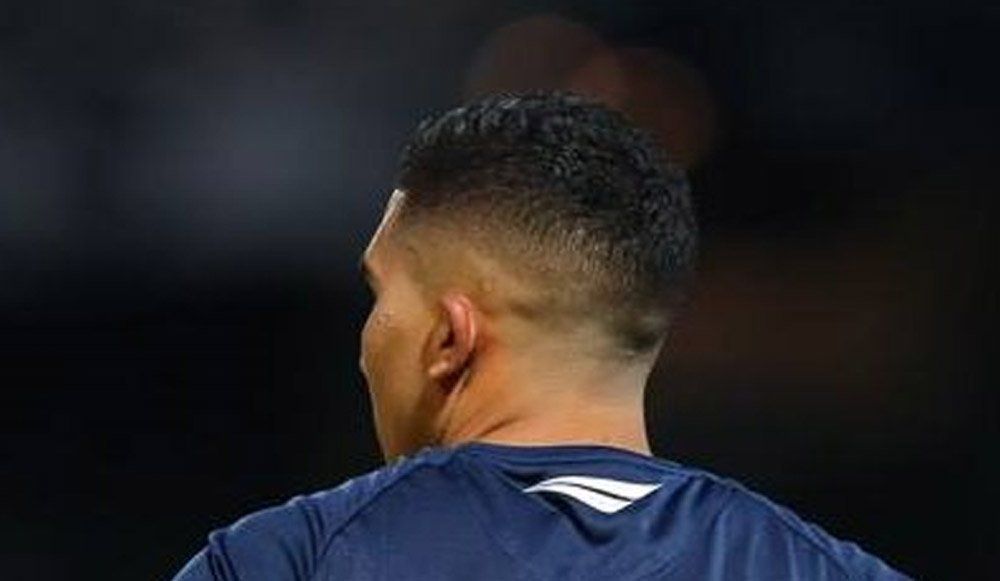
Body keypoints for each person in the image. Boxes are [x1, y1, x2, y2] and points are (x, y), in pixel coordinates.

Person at [172, 91, 909, 580]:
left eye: (380, 294)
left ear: (450, 337)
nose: (365, 344)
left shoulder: (294, 560)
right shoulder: (821, 569)